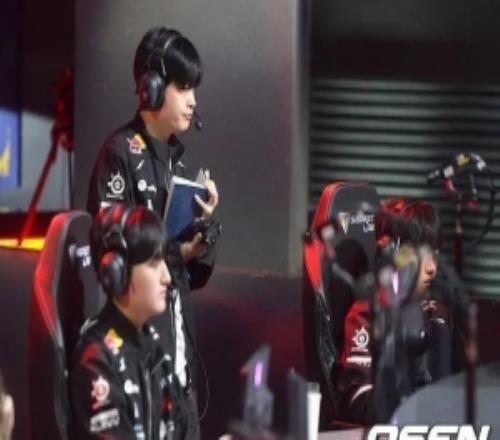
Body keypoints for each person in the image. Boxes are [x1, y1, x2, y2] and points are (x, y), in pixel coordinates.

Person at [87, 26, 219, 438]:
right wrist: (179, 252)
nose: (193, 101)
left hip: (178, 370)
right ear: (153, 87)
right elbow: (115, 263)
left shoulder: (177, 163)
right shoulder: (119, 155)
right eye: (183, 87)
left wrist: (205, 234)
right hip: (137, 370)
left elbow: (189, 277)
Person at [336, 197, 468, 424]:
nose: (432, 268)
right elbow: (356, 399)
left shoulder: (438, 312)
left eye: (435, 256)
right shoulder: (366, 315)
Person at [70, 204, 188, 439]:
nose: (167, 277)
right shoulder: (96, 361)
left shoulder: (153, 345)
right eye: (154, 264)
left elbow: (179, 427)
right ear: (117, 271)